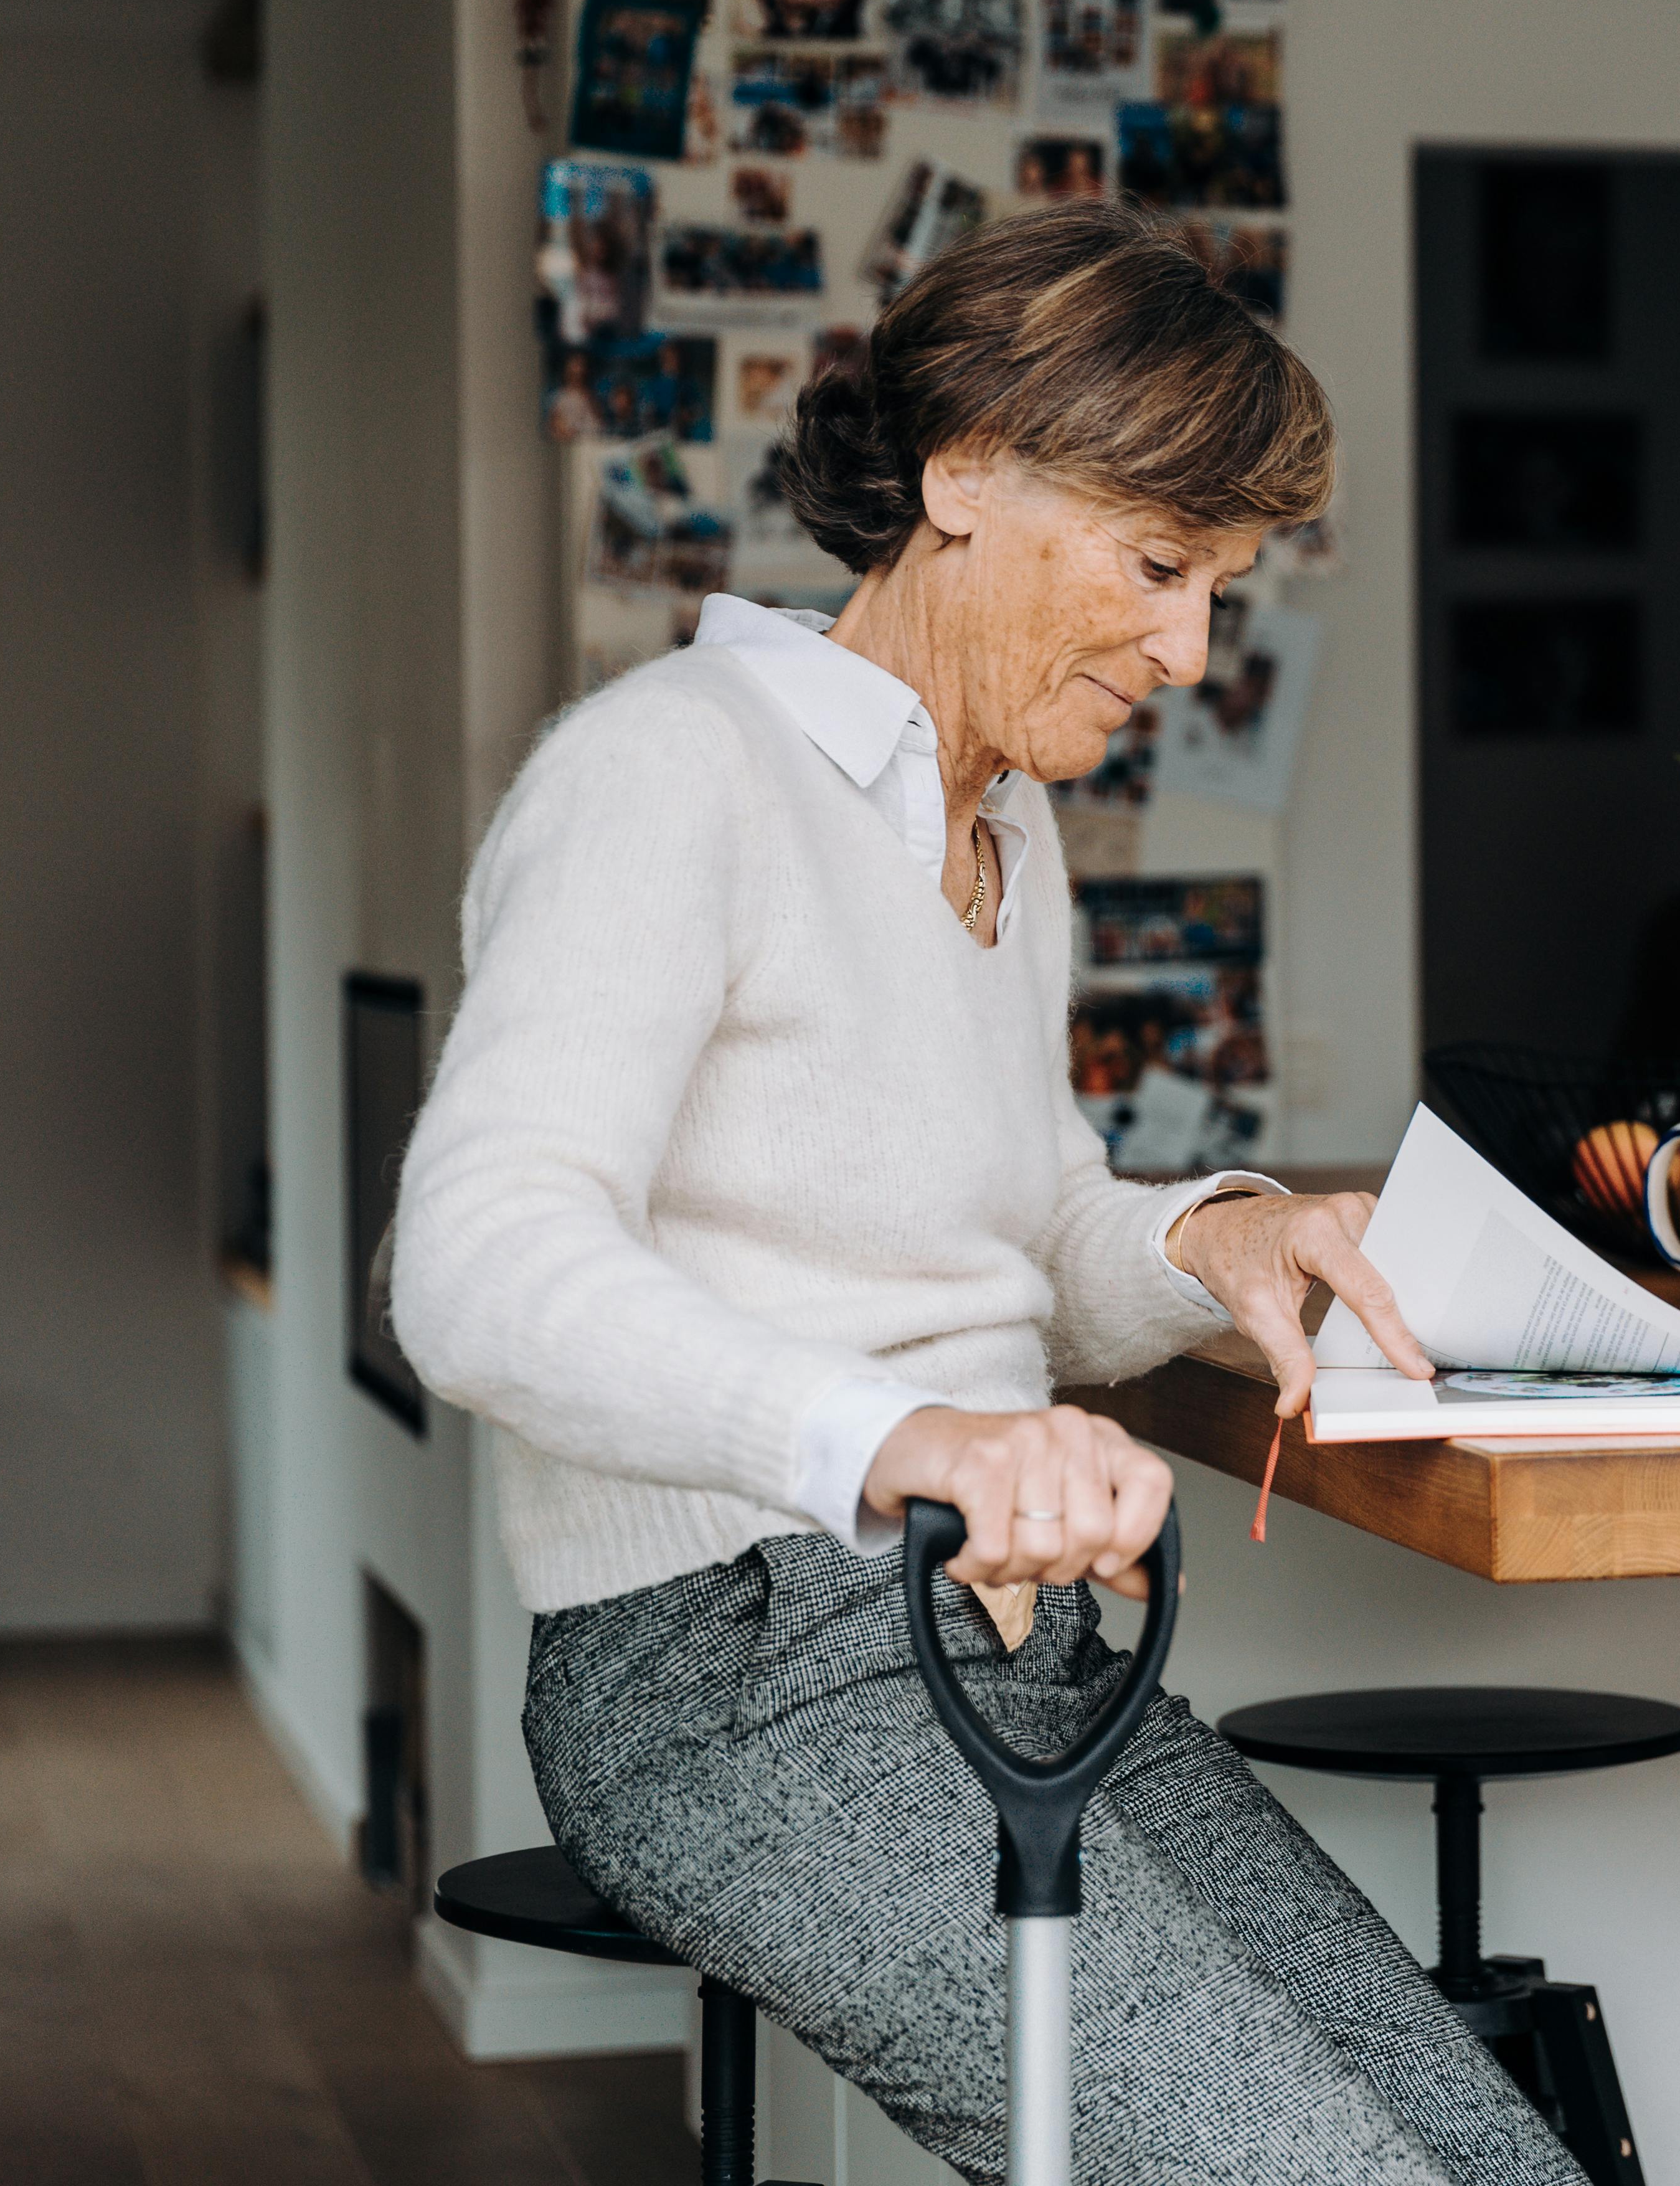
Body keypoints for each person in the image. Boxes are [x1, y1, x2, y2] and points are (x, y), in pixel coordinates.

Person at [392, 204, 1587, 2186]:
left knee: (1489, 2156)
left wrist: (1215, 1235)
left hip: (1026, 1657)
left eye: (1220, 583)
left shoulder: (1002, 833)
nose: (1193, 647)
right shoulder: (669, 771)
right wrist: (901, 1438)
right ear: (963, 474)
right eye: (1157, 563)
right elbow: (478, 1264)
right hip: (735, 1673)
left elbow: (1026, 1232)